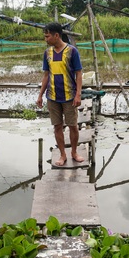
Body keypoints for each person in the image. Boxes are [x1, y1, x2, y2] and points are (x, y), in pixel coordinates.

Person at [37, 22, 84, 167]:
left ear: (56, 35)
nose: (46, 39)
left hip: (69, 96)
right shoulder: (48, 53)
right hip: (52, 97)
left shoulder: (72, 51)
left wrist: (78, 95)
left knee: (73, 126)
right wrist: (40, 95)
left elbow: (79, 73)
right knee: (57, 126)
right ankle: (63, 154)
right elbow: (46, 75)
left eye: (47, 36)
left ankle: (74, 152)